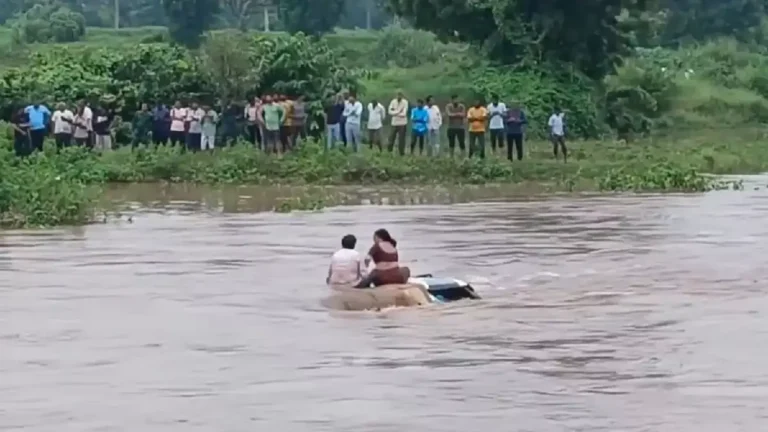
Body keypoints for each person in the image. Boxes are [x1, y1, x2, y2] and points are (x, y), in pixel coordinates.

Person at [387, 90, 409, 155]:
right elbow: (389, 112)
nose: (399, 96)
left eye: (400, 95)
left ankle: (401, 153)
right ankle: (389, 152)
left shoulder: (405, 102)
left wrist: (395, 112)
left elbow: (404, 114)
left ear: (402, 96)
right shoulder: (393, 101)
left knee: (401, 139)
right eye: (398, 95)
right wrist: (399, 111)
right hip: (394, 123)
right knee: (391, 137)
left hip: (402, 123)